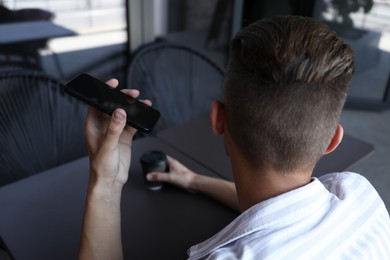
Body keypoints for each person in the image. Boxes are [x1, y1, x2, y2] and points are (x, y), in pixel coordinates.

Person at [79, 16, 390, 259]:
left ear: (217, 120)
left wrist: (105, 181)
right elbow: (279, 209)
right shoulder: (360, 195)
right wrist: (194, 181)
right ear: (332, 141)